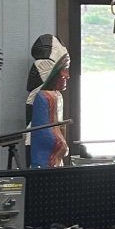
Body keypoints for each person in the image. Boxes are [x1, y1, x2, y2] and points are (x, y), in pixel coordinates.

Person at [26, 34, 71, 168]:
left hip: (56, 159)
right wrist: (61, 143)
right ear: (53, 71)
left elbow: (59, 127)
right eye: (64, 70)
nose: (67, 75)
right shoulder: (43, 96)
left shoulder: (57, 96)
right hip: (44, 159)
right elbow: (44, 132)